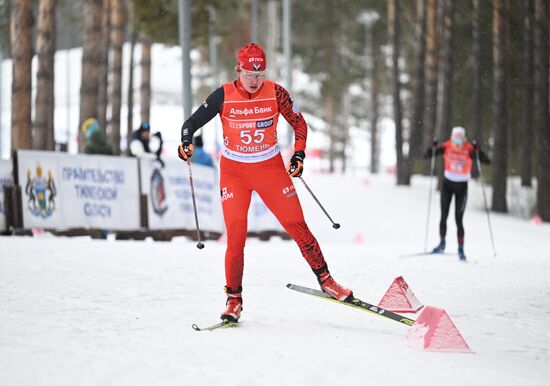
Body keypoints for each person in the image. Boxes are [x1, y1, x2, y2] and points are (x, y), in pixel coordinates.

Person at [178, 43, 353, 322]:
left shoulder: (276, 92)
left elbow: (299, 124)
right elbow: (190, 123)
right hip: (234, 172)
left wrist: (299, 153)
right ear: (239, 69)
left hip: (269, 168)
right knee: (235, 236)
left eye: (259, 75)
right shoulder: (223, 94)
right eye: (249, 74)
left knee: (297, 225)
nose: (254, 80)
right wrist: (185, 143)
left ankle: (327, 280)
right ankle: (233, 299)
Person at [424, 126, 490, 260]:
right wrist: (432, 147)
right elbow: (427, 156)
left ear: (464, 138)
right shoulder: (446, 146)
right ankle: (442, 243)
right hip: (447, 184)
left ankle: (461, 249)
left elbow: (486, 161)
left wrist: (479, 151)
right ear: (452, 137)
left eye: (460, 138)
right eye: (455, 137)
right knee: (443, 216)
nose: (457, 141)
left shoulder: (469, 149)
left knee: (458, 219)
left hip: (462, 187)